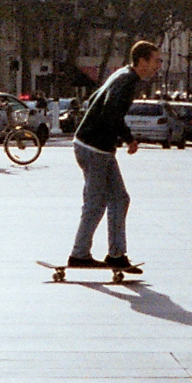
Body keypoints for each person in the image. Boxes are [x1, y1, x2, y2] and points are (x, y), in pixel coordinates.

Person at [67, 41, 159, 272]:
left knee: (119, 198)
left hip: (97, 147)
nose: (158, 66)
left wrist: (121, 137)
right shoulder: (127, 81)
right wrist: (126, 137)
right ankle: (79, 254)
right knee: (96, 202)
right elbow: (111, 111)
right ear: (142, 61)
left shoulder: (123, 75)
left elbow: (94, 100)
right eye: (156, 61)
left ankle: (116, 255)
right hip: (94, 147)